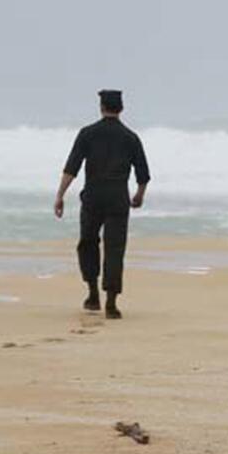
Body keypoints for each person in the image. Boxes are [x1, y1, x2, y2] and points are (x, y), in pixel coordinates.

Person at [54, 90, 151, 319]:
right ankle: (111, 303)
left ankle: (92, 294)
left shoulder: (88, 134)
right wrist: (138, 195)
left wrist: (60, 195)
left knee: (88, 243)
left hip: (93, 197)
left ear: (101, 107)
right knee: (115, 249)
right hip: (118, 198)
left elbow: (72, 168)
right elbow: (143, 174)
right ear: (121, 109)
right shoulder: (130, 137)